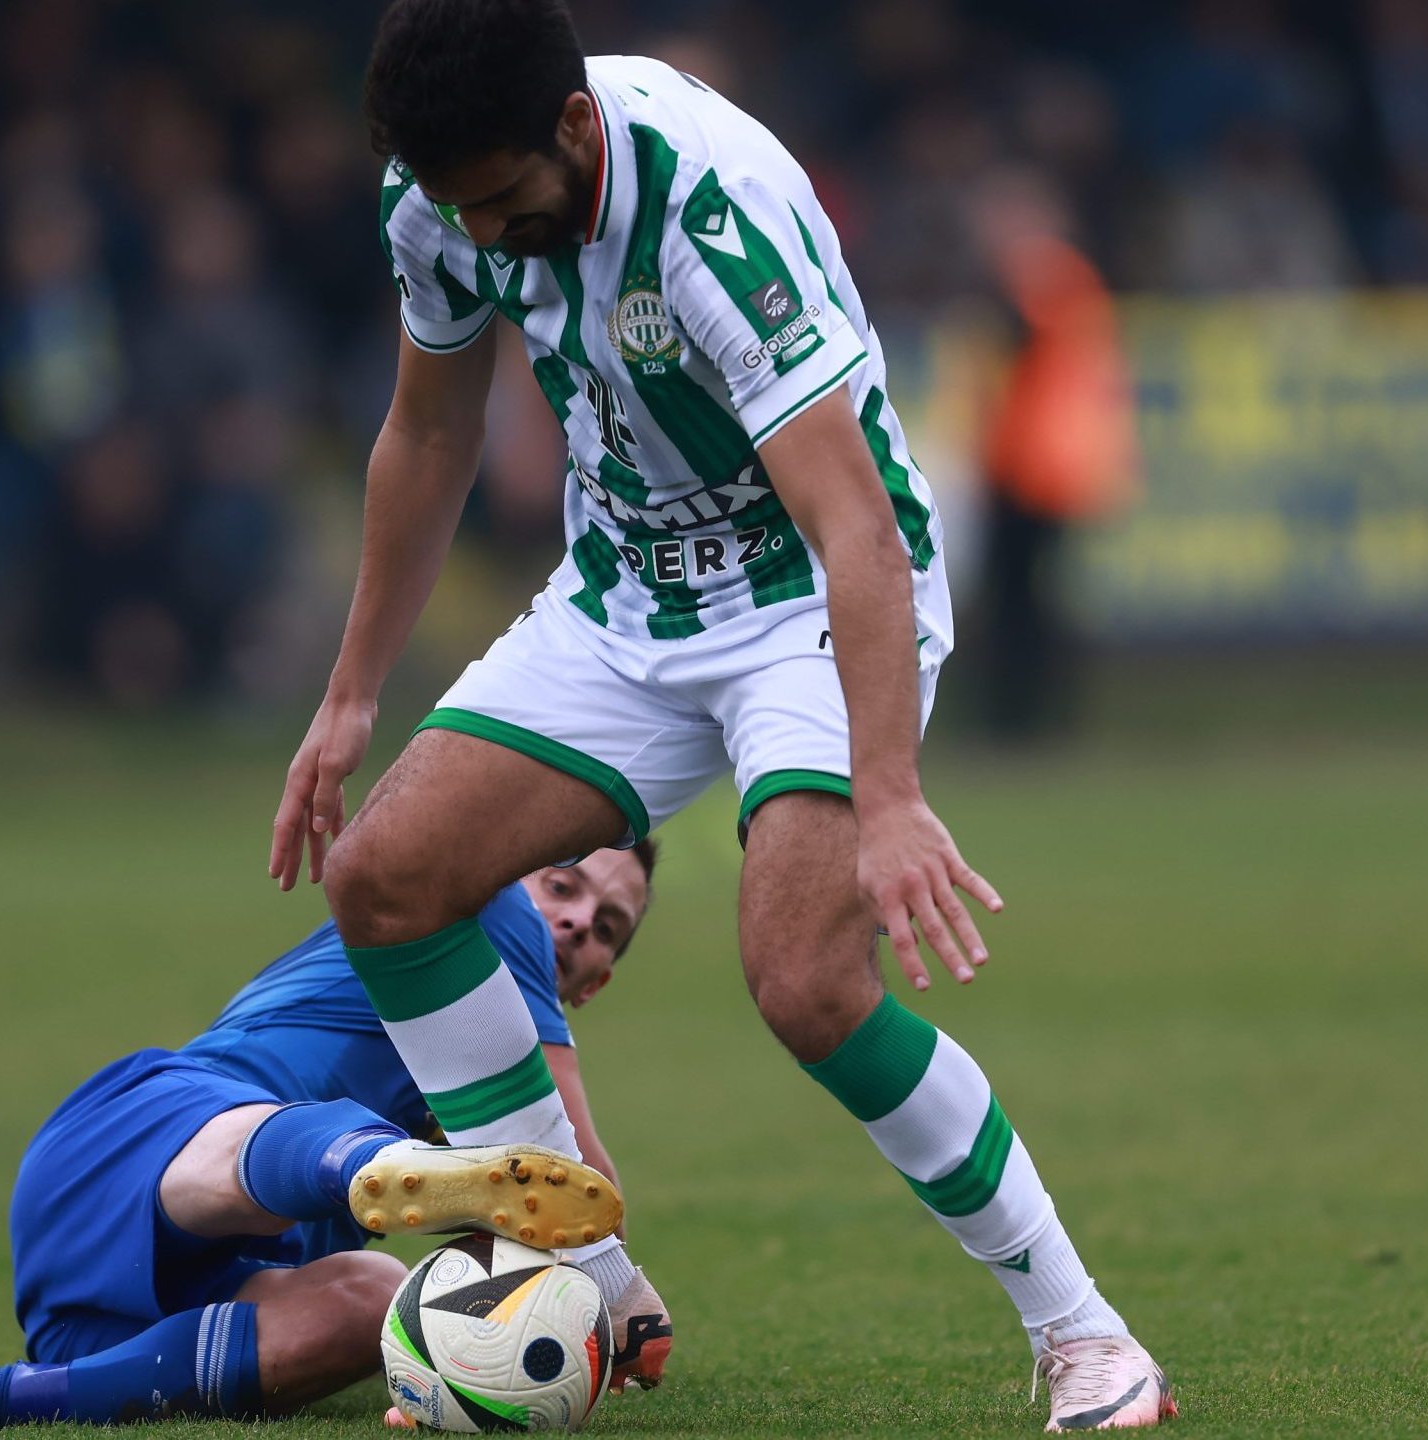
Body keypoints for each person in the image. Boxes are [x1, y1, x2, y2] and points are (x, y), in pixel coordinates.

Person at [267, 1, 1172, 1429]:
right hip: (627, 589)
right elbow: (430, 431)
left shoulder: (713, 211)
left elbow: (856, 525)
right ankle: (575, 1271)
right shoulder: (441, 194)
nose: (486, 237)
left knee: (808, 983)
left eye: (506, 203)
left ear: (574, 128)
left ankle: (1086, 1338)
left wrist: (888, 794)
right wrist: (350, 696)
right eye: (460, 209)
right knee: (382, 879)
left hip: (808, 597)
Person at [0, 848, 670, 1427]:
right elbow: (575, 1181)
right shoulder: (487, 909)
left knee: (374, 1293)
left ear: (592, 983)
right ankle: (373, 1163)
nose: (576, 924)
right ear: (520, 878)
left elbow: (536, 1217)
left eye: (608, 930)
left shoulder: (481, 1087)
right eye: (565, 886)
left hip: (156, 1304)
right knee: (315, 1142)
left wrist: (456, 1369)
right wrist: (620, 1299)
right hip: (141, 1137)